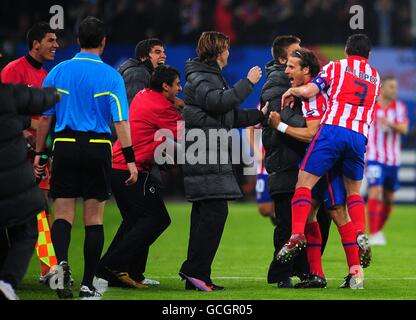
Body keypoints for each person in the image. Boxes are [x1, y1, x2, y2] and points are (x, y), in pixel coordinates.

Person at [35, 16, 138, 299]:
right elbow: (121, 124)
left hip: (65, 146)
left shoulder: (58, 71)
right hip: (97, 147)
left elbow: (45, 118)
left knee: (63, 214)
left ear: (78, 40)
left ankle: (61, 268)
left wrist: (40, 153)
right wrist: (130, 160)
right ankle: (87, 284)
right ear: (103, 42)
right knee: (94, 219)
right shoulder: (111, 76)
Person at [276, 34, 381, 288]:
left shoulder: (335, 67)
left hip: (332, 132)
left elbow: (311, 92)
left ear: (346, 51)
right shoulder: (376, 77)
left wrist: (292, 94)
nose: (288, 71)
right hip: (358, 137)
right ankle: (358, 246)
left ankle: (296, 235)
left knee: (304, 186)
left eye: (291, 67)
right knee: (349, 198)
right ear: (368, 55)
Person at [179, 31, 266, 291]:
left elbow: (227, 116)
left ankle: (196, 274)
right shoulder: (202, 77)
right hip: (206, 154)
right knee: (214, 213)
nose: (229, 53)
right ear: (218, 52)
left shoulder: (209, 77)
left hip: (209, 155)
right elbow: (219, 103)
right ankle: (195, 271)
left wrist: (258, 115)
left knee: (206, 214)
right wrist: (248, 83)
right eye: (226, 48)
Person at [96, 65, 182, 289]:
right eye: (177, 85)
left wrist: (175, 103)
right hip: (130, 169)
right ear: (165, 86)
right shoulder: (162, 108)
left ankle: (118, 272)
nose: (180, 89)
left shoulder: (143, 94)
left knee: (134, 221)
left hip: (118, 165)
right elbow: (185, 134)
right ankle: (111, 265)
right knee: (158, 219)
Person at [260, 35, 331, 288]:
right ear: (282, 60)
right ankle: (281, 274)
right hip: (286, 160)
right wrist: (318, 126)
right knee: (288, 222)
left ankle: (306, 271)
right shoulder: (274, 87)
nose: (298, 56)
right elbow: (287, 119)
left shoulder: (310, 88)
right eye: (293, 54)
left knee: (319, 219)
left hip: (308, 162)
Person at [0, 22, 59, 282]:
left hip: (39, 154)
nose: (56, 45)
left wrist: (45, 150)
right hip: (14, 156)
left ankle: (47, 269)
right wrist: (28, 130)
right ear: (36, 44)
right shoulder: (13, 71)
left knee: (42, 208)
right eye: (50, 40)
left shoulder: (46, 75)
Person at [366, 75, 408, 246]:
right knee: (375, 191)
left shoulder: (398, 107)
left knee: (389, 198)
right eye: (391, 87)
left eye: (395, 87)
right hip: (374, 157)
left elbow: (404, 129)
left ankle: (378, 230)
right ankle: (374, 233)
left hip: (393, 160)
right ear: (382, 88)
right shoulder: (371, 107)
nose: (394, 90)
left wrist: (389, 124)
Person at [245, 115, 275, 224]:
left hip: (289, 163)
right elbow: (249, 128)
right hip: (265, 165)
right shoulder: (266, 103)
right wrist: (257, 152)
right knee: (265, 209)